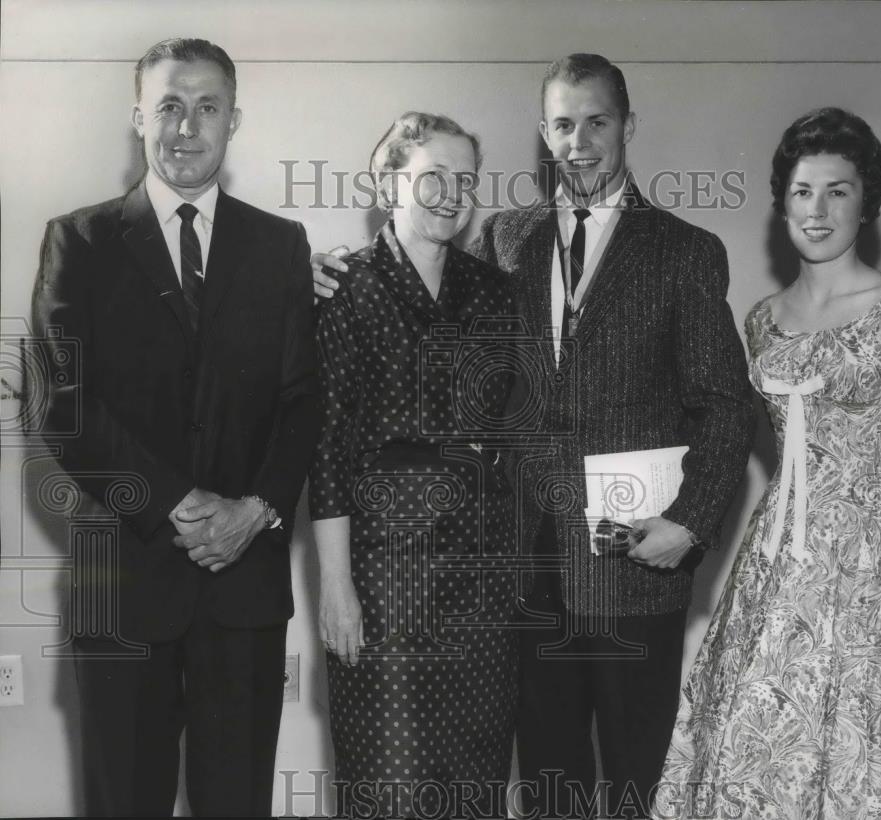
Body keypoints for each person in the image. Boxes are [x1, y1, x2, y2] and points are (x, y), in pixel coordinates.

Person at [313, 55, 755, 820]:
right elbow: (423, 311)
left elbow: (726, 404)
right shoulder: (504, 240)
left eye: (596, 122)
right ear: (542, 135)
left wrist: (689, 522)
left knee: (629, 780)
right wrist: (316, 270)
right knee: (546, 780)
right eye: (561, 124)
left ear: (627, 128)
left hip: (629, 558)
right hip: (513, 570)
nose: (578, 140)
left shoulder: (684, 250)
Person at [653, 108, 881, 820]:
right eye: (804, 191)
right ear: (784, 201)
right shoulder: (761, 318)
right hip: (779, 553)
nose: (818, 210)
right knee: (762, 731)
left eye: (838, 191)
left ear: (866, 201)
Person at [31, 38, 319, 817]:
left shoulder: (280, 246)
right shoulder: (79, 242)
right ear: (138, 118)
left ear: (234, 120)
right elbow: (64, 403)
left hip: (244, 590)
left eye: (206, 107)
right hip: (121, 585)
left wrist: (254, 509)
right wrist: (180, 505)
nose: (186, 127)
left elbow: (303, 404)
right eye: (168, 106)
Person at [309, 112, 519, 819]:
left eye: (465, 180)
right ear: (387, 182)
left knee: (476, 776)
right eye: (433, 176)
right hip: (385, 574)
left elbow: (513, 428)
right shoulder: (346, 290)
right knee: (391, 779)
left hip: (482, 573)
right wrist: (336, 588)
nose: (451, 194)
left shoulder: (493, 292)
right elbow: (329, 449)